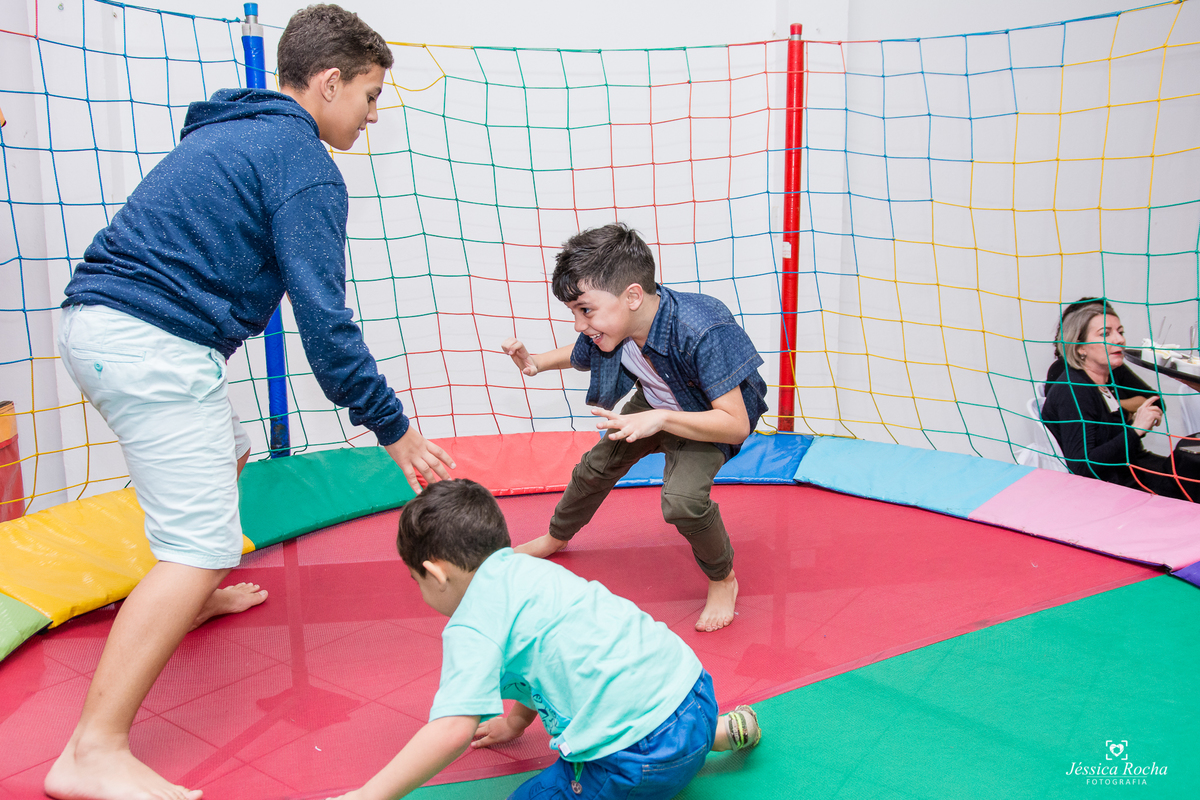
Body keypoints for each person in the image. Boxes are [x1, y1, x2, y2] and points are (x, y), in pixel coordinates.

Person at [45, 6, 455, 800]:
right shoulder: (302, 163)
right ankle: (91, 751)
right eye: (369, 95)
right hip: (150, 344)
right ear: (330, 82)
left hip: (98, 326)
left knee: (225, 451)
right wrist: (394, 431)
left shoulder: (230, 129)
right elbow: (328, 329)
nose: (373, 115)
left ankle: (189, 600)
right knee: (196, 546)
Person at [329, 479, 762, 800]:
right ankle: (720, 732)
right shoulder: (531, 570)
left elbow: (451, 730)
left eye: (416, 579)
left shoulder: (472, 622)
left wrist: (369, 795)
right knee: (668, 727)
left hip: (638, 758)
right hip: (695, 696)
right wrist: (517, 722)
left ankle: (674, 763)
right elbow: (548, 661)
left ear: (437, 572)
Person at [500, 223, 768, 632]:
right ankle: (556, 537)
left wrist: (660, 418)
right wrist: (536, 362)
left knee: (681, 501)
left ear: (632, 296)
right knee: (594, 468)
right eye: (573, 312)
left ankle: (723, 579)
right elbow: (579, 352)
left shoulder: (701, 329)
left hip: (705, 416)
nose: (578, 323)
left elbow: (734, 426)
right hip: (655, 404)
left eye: (584, 310)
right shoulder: (616, 325)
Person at [1041, 299, 1200, 501]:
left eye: (1120, 332)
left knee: (1190, 461)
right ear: (1080, 347)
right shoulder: (1075, 389)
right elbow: (1083, 466)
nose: (1119, 339)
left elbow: (1155, 402)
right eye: (1105, 334)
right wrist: (1135, 429)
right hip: (1121, 486)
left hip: (1133, 467)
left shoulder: (1101, 379)